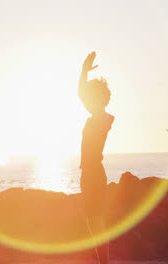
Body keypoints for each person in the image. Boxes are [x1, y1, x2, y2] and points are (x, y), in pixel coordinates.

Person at [78, 52, 114, 264]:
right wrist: (84, 71)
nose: (86, 100)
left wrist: (84, 71)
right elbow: (82, 94)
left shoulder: (101, 118)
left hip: (94, 174)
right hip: (90, 173)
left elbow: (80, 93)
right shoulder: (98, 117)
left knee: (96, 222)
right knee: (93, 222)